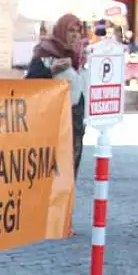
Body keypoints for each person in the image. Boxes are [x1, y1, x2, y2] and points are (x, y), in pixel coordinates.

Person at [26, 14, 87, 179]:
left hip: (75, 125)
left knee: (69, 175)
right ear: (61, 31)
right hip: (52, 124)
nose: (75, 35)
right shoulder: (46, 52)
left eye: (78, 31)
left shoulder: (81, 56)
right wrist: (51, 71)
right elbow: (29, 82)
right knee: (51, 175)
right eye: (70, 31)